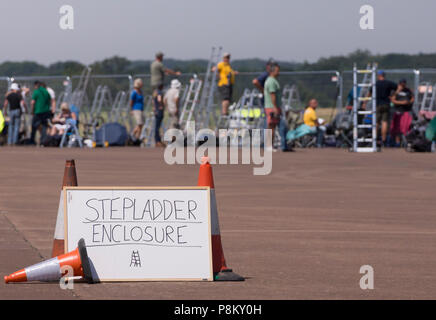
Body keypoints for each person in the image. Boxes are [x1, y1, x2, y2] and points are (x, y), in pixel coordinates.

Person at [150, 52, 180, 147]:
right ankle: (158, 140)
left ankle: (158, 140)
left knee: (157, 124)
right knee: (158, 124)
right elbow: (165, 69)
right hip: (157, 84)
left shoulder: (153, 64)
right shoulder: (159, 64)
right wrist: (175, 73)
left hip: (154, 84)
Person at [365, 71, 397, 147]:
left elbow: (369, 93)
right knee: (384, 122)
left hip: (378, 105)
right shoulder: (388, 83)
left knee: (376, 122)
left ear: (378, 76)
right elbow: (397, 87)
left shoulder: (375, 84)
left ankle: (375, 139)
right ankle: (384, 140)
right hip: (386, 104)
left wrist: (364, 102)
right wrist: (393, 95)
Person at [390, 79, 414, 147]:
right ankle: (397, 142)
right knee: (397, 128)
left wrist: (409, 102)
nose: (403, 85)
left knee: (407, 127)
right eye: (401, 84)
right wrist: (401, 102)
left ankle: (407, 142)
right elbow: (393, 100)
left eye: (404, 83)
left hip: (406, 111)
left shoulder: (408, 90)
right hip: (398, 111)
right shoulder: (395, 91)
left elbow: (412, 98)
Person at [264, 63, 281, 150]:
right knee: (271, 126)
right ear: (272, 71)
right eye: (277, 71)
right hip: (271, 107)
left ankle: (270, 145)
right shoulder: (271, 81)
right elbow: (272, 94)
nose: (279, 73)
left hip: (271, 106)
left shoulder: (272, 80)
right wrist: (274, 107)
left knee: (272, 126)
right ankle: (269, 145)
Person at [30, 81, 52, 145]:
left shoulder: (36, 92)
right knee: (44, 126)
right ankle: (43, 141)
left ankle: (32, 141)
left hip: (38, 111)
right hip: (46, 111)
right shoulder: (46, 92)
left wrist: (32, 111)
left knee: (34, 126)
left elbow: (32, 102)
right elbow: (50, 101)